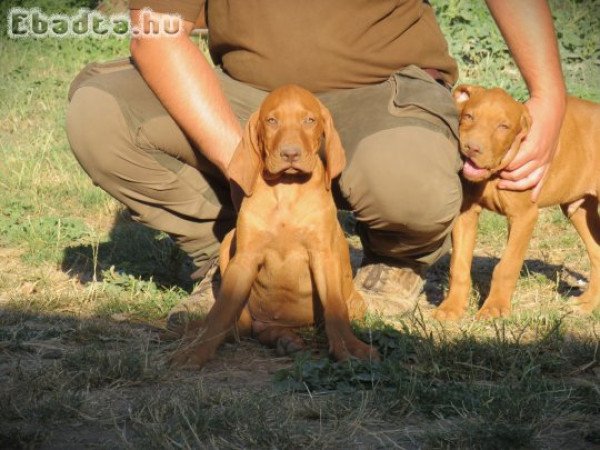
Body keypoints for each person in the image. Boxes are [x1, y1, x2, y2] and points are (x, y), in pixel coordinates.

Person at [66, 0, 566, 321]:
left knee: (413, 184)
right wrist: (243, 163)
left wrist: (549, 94)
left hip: (383, 88)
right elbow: (157, 32)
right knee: (102, 116)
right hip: (249, 96)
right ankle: (230, 252)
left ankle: (395, 260)